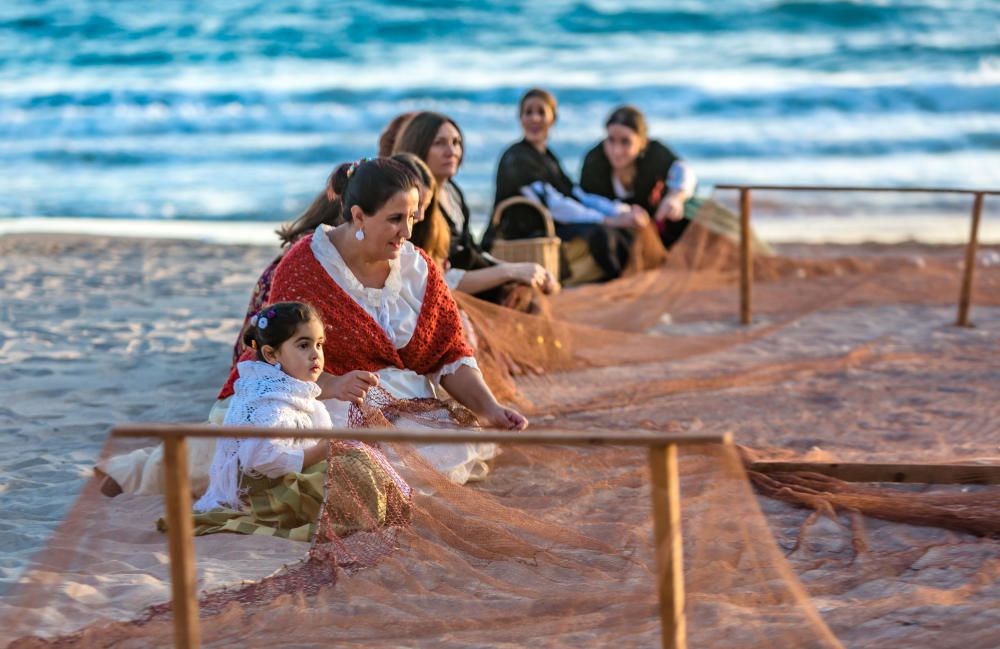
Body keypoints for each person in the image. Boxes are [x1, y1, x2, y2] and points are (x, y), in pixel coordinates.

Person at [217, 157, 528, 484]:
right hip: (325, 403)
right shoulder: (305, 266)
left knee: (450, 446)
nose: (407, 232)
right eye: (395, 219)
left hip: (410, 408)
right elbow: (279, 360)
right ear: (358, 216)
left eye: (411, 217)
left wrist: (491, 409)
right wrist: (333, 385)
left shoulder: (418, 268)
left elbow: (448, 353)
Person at [190, 301, 409, 540]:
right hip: (263, 494)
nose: (316, 354)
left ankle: (373, 511)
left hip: (285, 479)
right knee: (349, 466)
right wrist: (325, 449)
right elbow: (262, 458)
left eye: (319, 344)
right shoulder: (269, 399)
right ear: (271, 354)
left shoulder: (293, 388)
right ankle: (360, 517)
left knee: (358, 460)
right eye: (304, 345)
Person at [391, 111, 557, 304]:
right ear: (417, 147)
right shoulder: (414, 206)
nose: (451, 151)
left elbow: (472, 250)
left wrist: (520, 269)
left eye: (456, 143)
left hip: (470, 280)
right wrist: (508, 272)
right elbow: (431, 277)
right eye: (440, 143)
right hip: (440, 296)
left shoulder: (453, 192)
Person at [487, 88, 650, 282]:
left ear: (553, 119)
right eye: (528, 112)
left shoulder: (547, 157)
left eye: (541, 112)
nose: (534, 119)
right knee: (601, 234)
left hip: (548, 225)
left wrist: (620, 211)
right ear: (520, 118)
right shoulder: (516, 158)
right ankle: (611, 283)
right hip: (524, 234)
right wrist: (607, 220)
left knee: (621, 233)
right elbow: (554, 205)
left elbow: (575, 193)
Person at [579, 105, 697, 249]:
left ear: (642, 142)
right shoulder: (594, 160)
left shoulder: (655, 153)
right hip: (618, 229)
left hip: (658, 223)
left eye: (625, 142)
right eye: (611, 140)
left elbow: (683, 172)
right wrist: (622, 213)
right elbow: (587, 200)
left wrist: (674, 198)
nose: (616, 151)